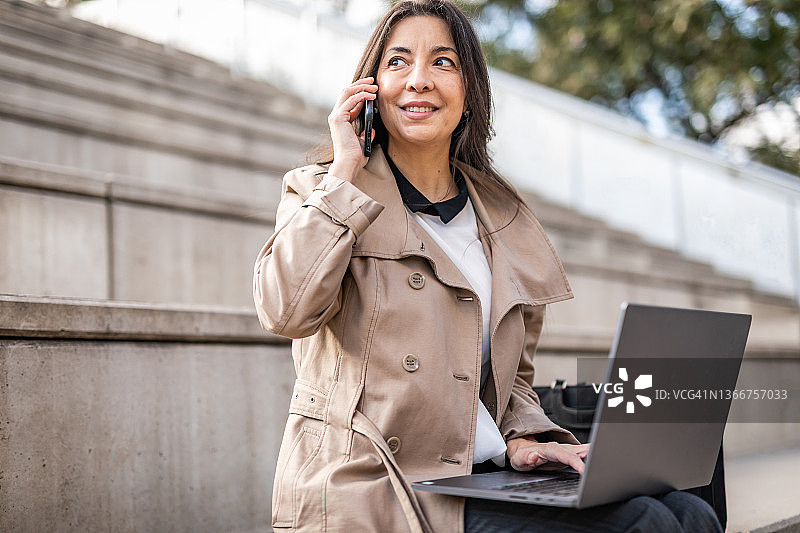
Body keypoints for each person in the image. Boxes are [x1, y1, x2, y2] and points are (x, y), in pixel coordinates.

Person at [253, 1, 722, 531]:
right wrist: (345, 170)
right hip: (379, 481)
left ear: (470, 91)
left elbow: (511, 383)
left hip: (483, 475)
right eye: (398, 62)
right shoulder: (323, 191)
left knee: (690, 511)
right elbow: (283, 310)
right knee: (644, 524)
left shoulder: (502, 218)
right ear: (370, 90)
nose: (420, 80)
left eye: (443, 63)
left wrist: (524, 440)